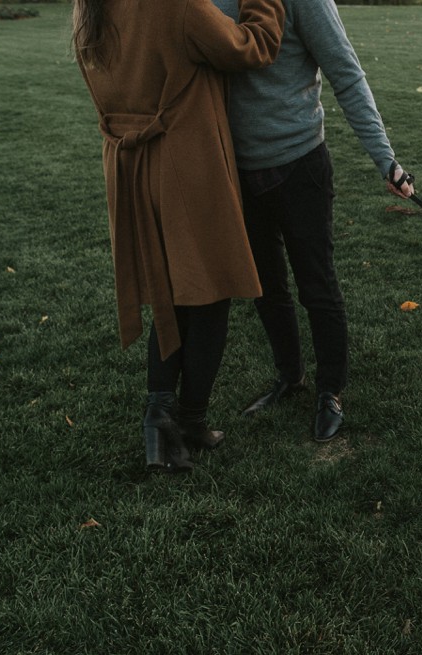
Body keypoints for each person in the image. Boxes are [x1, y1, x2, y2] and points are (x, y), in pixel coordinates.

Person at [72, 0, 285, 472]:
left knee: (173, 296)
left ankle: (160, 417)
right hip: (185, 165)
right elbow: (252, 46)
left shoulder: (90, 8)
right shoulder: (178, 4)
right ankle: (184, 420)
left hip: (132, 171)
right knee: (211, 292)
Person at [211, 0, 416, 442]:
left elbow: (346, 72)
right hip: (237, 170)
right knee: (264, 286)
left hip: (300, 164)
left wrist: (387, 162)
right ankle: (290, 376)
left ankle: (330, 391)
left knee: (317, 285)